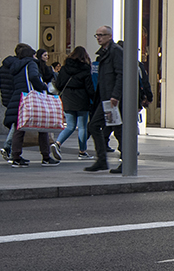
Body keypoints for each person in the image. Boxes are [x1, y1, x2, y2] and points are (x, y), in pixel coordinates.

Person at [1, 43, 58, 167]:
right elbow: (33, 77)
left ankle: (16, 157)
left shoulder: (16, 66)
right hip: (32, 99)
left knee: (19, 128)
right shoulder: (31, 63)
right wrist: (43, 86)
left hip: (20, 98)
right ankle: (46, 157)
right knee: (42, 127)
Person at [84, 25, 123, 173]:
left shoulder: (116, 51)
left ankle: (126, 161)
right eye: (97, 35)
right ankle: (101, 160)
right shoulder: (104, 53)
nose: (98, 38)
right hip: (105, 98)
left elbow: (120, 74)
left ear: (110, 36)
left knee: (118, 130)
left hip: (112, 99)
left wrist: (115, 95)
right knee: (94, 125)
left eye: (101, 35)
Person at [53, 46, 95, 159]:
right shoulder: (85, 68)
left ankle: (57, 143)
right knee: (82, 127)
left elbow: (58, 85)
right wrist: (94, 99)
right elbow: (89, 87)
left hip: (67, 99)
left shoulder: (64, 68)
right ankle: (82, 151)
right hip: (81, 99)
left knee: (70, 126)